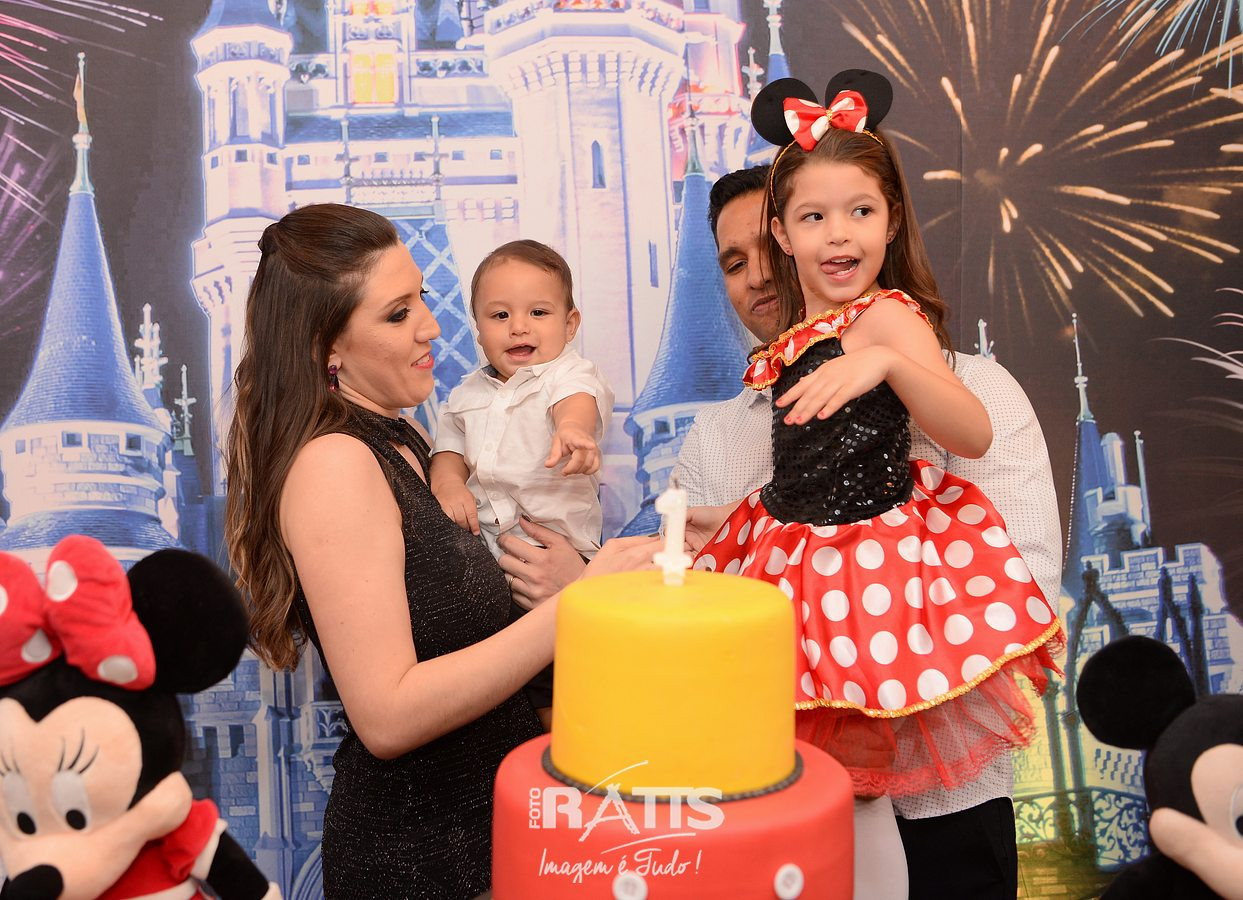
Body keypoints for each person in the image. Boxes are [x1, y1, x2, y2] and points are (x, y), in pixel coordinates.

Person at [690, 72, 1063, 896]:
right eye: (813, 217)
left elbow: (969, 431)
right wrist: (733, 523)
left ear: (891, 220)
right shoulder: (793, 346)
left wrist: (889, 362)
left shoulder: (886, 319)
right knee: (833, 801)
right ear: (784, 233)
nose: (838, 234)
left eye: (859, 212)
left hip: (875, 561)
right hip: (804, 556)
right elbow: (807, 468)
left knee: (879, 769)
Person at [224, 204, 658, 899]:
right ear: (326, 346)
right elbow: (387, 716)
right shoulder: (336, 463)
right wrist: (581, 603)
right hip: (421, 864)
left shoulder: (412, 440)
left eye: (422, 297)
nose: (431, 325)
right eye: (398, 314)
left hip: (496, 841)